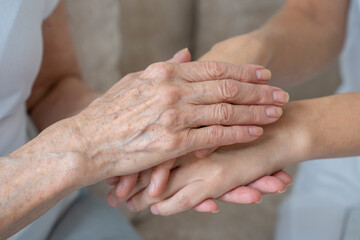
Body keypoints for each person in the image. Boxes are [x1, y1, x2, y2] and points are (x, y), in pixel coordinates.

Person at [0, 0, 291, 239]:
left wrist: (136, 125)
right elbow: (85, 141)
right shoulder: (80, 148)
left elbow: (49, 89)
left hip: (57, 216)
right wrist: (84, 144)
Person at [108, 0, 360, 239]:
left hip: (327, 136)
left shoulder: (287, 134)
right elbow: (316, 15)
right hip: (341, 174)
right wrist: (246, 52)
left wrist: (283, 134)